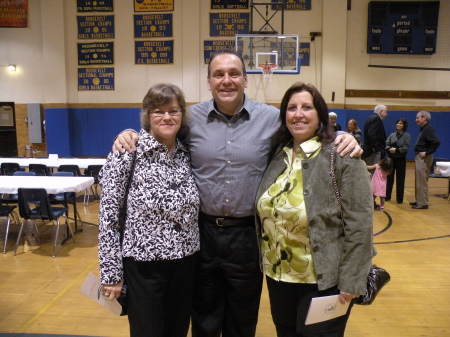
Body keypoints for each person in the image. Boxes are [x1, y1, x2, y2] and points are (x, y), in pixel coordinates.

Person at [112, 51, 362, 337]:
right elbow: (157, 131)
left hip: (247, 237)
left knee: (242, 320)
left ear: (245, 79)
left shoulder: (270, 119)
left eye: (233, 73)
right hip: (202, 235)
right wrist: (129, 133)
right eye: (218, 74)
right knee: (203, 319)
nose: (226, 80)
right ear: (209, 81)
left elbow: (305, 130)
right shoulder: (190, 119)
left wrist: (343, 136)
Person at [255, 82, 373, 337]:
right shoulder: (279, 155)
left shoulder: (342, 156)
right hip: (279, 278)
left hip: (324, 283)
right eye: (291, 108)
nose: (298, 114)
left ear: (320, 114)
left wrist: (353, 279)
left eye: (306, 107)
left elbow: (360, 224)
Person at [98, 84, 200, 337]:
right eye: (158, 111)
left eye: (173, 111)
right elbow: (108, 218)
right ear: (147, 115)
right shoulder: (127, 153)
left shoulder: (186, 153)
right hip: (144, 268)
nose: (167, 117)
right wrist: (111, 273)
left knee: (177, 331)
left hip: (185, 264)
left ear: (182, 115)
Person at [410, 110, 440, 209]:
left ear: (424, 118)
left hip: (424, 158)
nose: (416, 120)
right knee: (419, 180)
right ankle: (419, 201)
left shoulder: (428, 129)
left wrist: (426, 152)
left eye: (418, 118)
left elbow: (436, 142)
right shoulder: (424, 129)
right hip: (421, 157)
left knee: (422, 181)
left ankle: (422, 203)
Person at [385, 118, 411, 204]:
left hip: (400, 160)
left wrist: (396, 150)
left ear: (404, 126)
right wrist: (389, 148)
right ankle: (387, 197)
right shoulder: (392, 135)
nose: (398, 125)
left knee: (400, 180)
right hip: (391, 159)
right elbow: (386, 144)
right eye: (397, 123)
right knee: (389, 179)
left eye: (400, 123)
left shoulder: (407, 135)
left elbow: (406, 148)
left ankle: (399, 200)